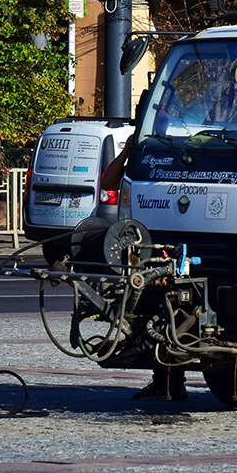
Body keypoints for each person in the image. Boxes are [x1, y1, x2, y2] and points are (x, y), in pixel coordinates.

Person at [101, 139, 188, 402]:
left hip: (172, 243)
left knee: (172, 313)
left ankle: (171, 383)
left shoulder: (183, 154)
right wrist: (128, 152)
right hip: (144, 244)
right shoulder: (148, 153)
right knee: (149, 312)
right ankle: (163, 382)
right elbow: (108, 183)